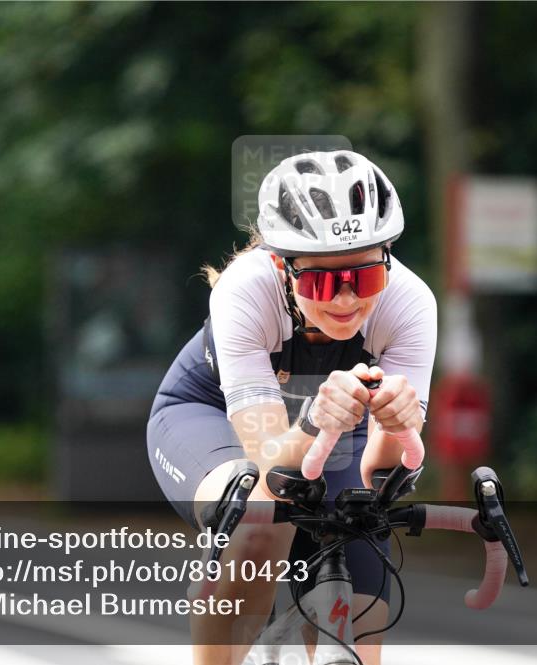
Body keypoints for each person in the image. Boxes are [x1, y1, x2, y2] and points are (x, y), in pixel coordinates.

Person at [146, 150, 437, 665]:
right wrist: (311, 418)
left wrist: (396, 424)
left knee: (365, 533)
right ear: (282, 266)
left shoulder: (410, 304)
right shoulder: (246, 290)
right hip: (209, 419)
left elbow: (381, 475)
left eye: (365, 278)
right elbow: (273, 467)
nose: (346, 300)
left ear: (387, 260)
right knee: (262, 520)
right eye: (322, 282)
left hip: (330, 429)